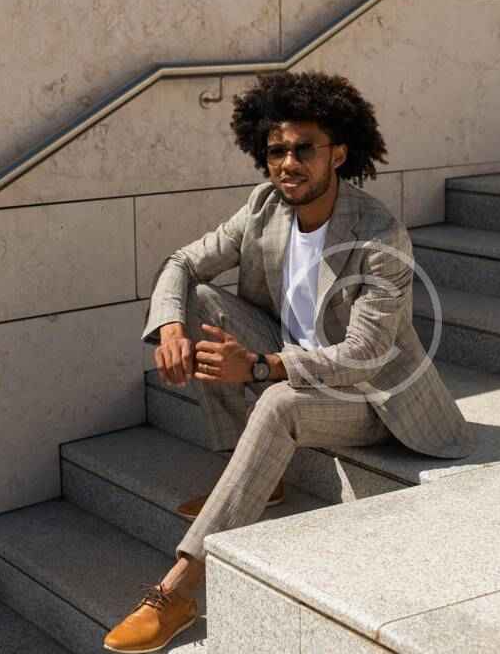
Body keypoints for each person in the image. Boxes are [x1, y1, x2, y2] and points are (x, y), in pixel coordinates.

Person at [103, 71, 475, 653]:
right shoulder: (263, 207)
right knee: (200, 302)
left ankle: (179, 589)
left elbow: (364, 354)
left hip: (371, 396)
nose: (288, 164)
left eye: (305, 149)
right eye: (277, 150)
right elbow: (182, 263)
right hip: (290, 355)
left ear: (338, 153)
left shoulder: (379, 234)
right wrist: (171, 327)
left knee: (278, 402)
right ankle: (259, 478)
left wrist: (259, 366)